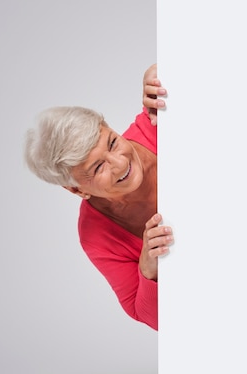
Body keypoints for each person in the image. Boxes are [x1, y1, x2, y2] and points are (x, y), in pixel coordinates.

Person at [24, 64, 170, 331]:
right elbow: (154, 319)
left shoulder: (160, 123)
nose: (120, 162)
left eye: (112, 142)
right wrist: (149, 270)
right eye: (98, 168)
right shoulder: (97, 235)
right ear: (78, 190)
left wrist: (160, 70)